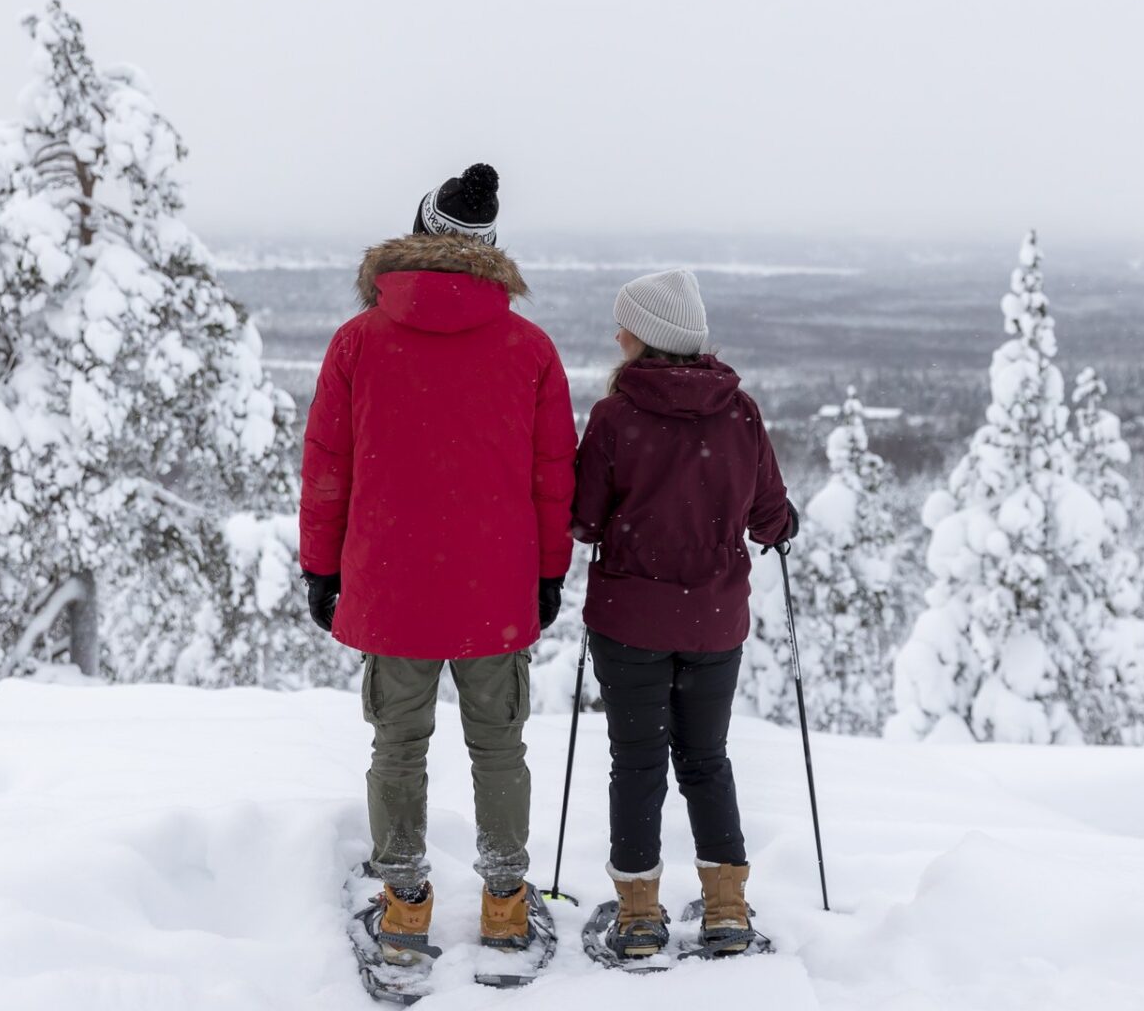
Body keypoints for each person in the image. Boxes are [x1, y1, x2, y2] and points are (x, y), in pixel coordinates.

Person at [299, 163, 576, 964]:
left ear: (417, 238)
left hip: (391, 583)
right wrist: (548, 572)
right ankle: (504, 905)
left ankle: (407, 905)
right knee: (500, 747)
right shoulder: (529, 348)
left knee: (397, 747)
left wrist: (323, 567)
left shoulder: (358, 342)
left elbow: (329, 466)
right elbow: (552, 473)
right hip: (494, 587)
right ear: (488, 252)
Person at [569, 268, 796, 959]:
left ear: (649, 338)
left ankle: (639, 916)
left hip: (629, 619)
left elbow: (582, 519)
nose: (617, 337)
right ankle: (727, 909)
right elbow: (770, 519)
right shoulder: (740, 411)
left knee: (636, 763)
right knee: (705, 761)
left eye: (626, 327)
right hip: (713, 623)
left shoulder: (616, 417)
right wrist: (779, 524)